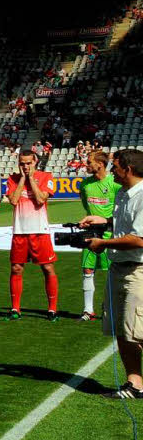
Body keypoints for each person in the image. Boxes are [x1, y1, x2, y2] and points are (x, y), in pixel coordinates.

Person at [81, 149, 143, 399]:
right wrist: (102, 222)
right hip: (119, 267)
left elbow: (139, 239)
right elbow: (122, 225)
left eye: (115, 166)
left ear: (128, 169)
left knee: (137, 330)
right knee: (121, 329)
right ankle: (135, 383)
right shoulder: (121, 193)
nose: (112, 170)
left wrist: (103, 243)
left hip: (138, 270)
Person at [6, 150, 59, 321]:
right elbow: (13, 200)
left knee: (48, 268)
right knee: (16, 268)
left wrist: (30, 179)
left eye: (29, 163)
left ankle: (52, 309)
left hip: (39, 231)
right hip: (20, 231)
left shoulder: (46, 177)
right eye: (22, 163)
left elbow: (40, 199)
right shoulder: (12, 179)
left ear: (35, 162)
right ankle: (15, 308)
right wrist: (22, 178)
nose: (25, 166)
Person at [79, 150, 120, 321]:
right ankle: (88, 310)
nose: (86, 165)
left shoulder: (115, 184)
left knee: (113, 270)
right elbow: (85, 205)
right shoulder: (85, 185)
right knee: (87, 269)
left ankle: (109, 306)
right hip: (90, 233)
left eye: (89, 162)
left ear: (100, 164)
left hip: (111, 234)